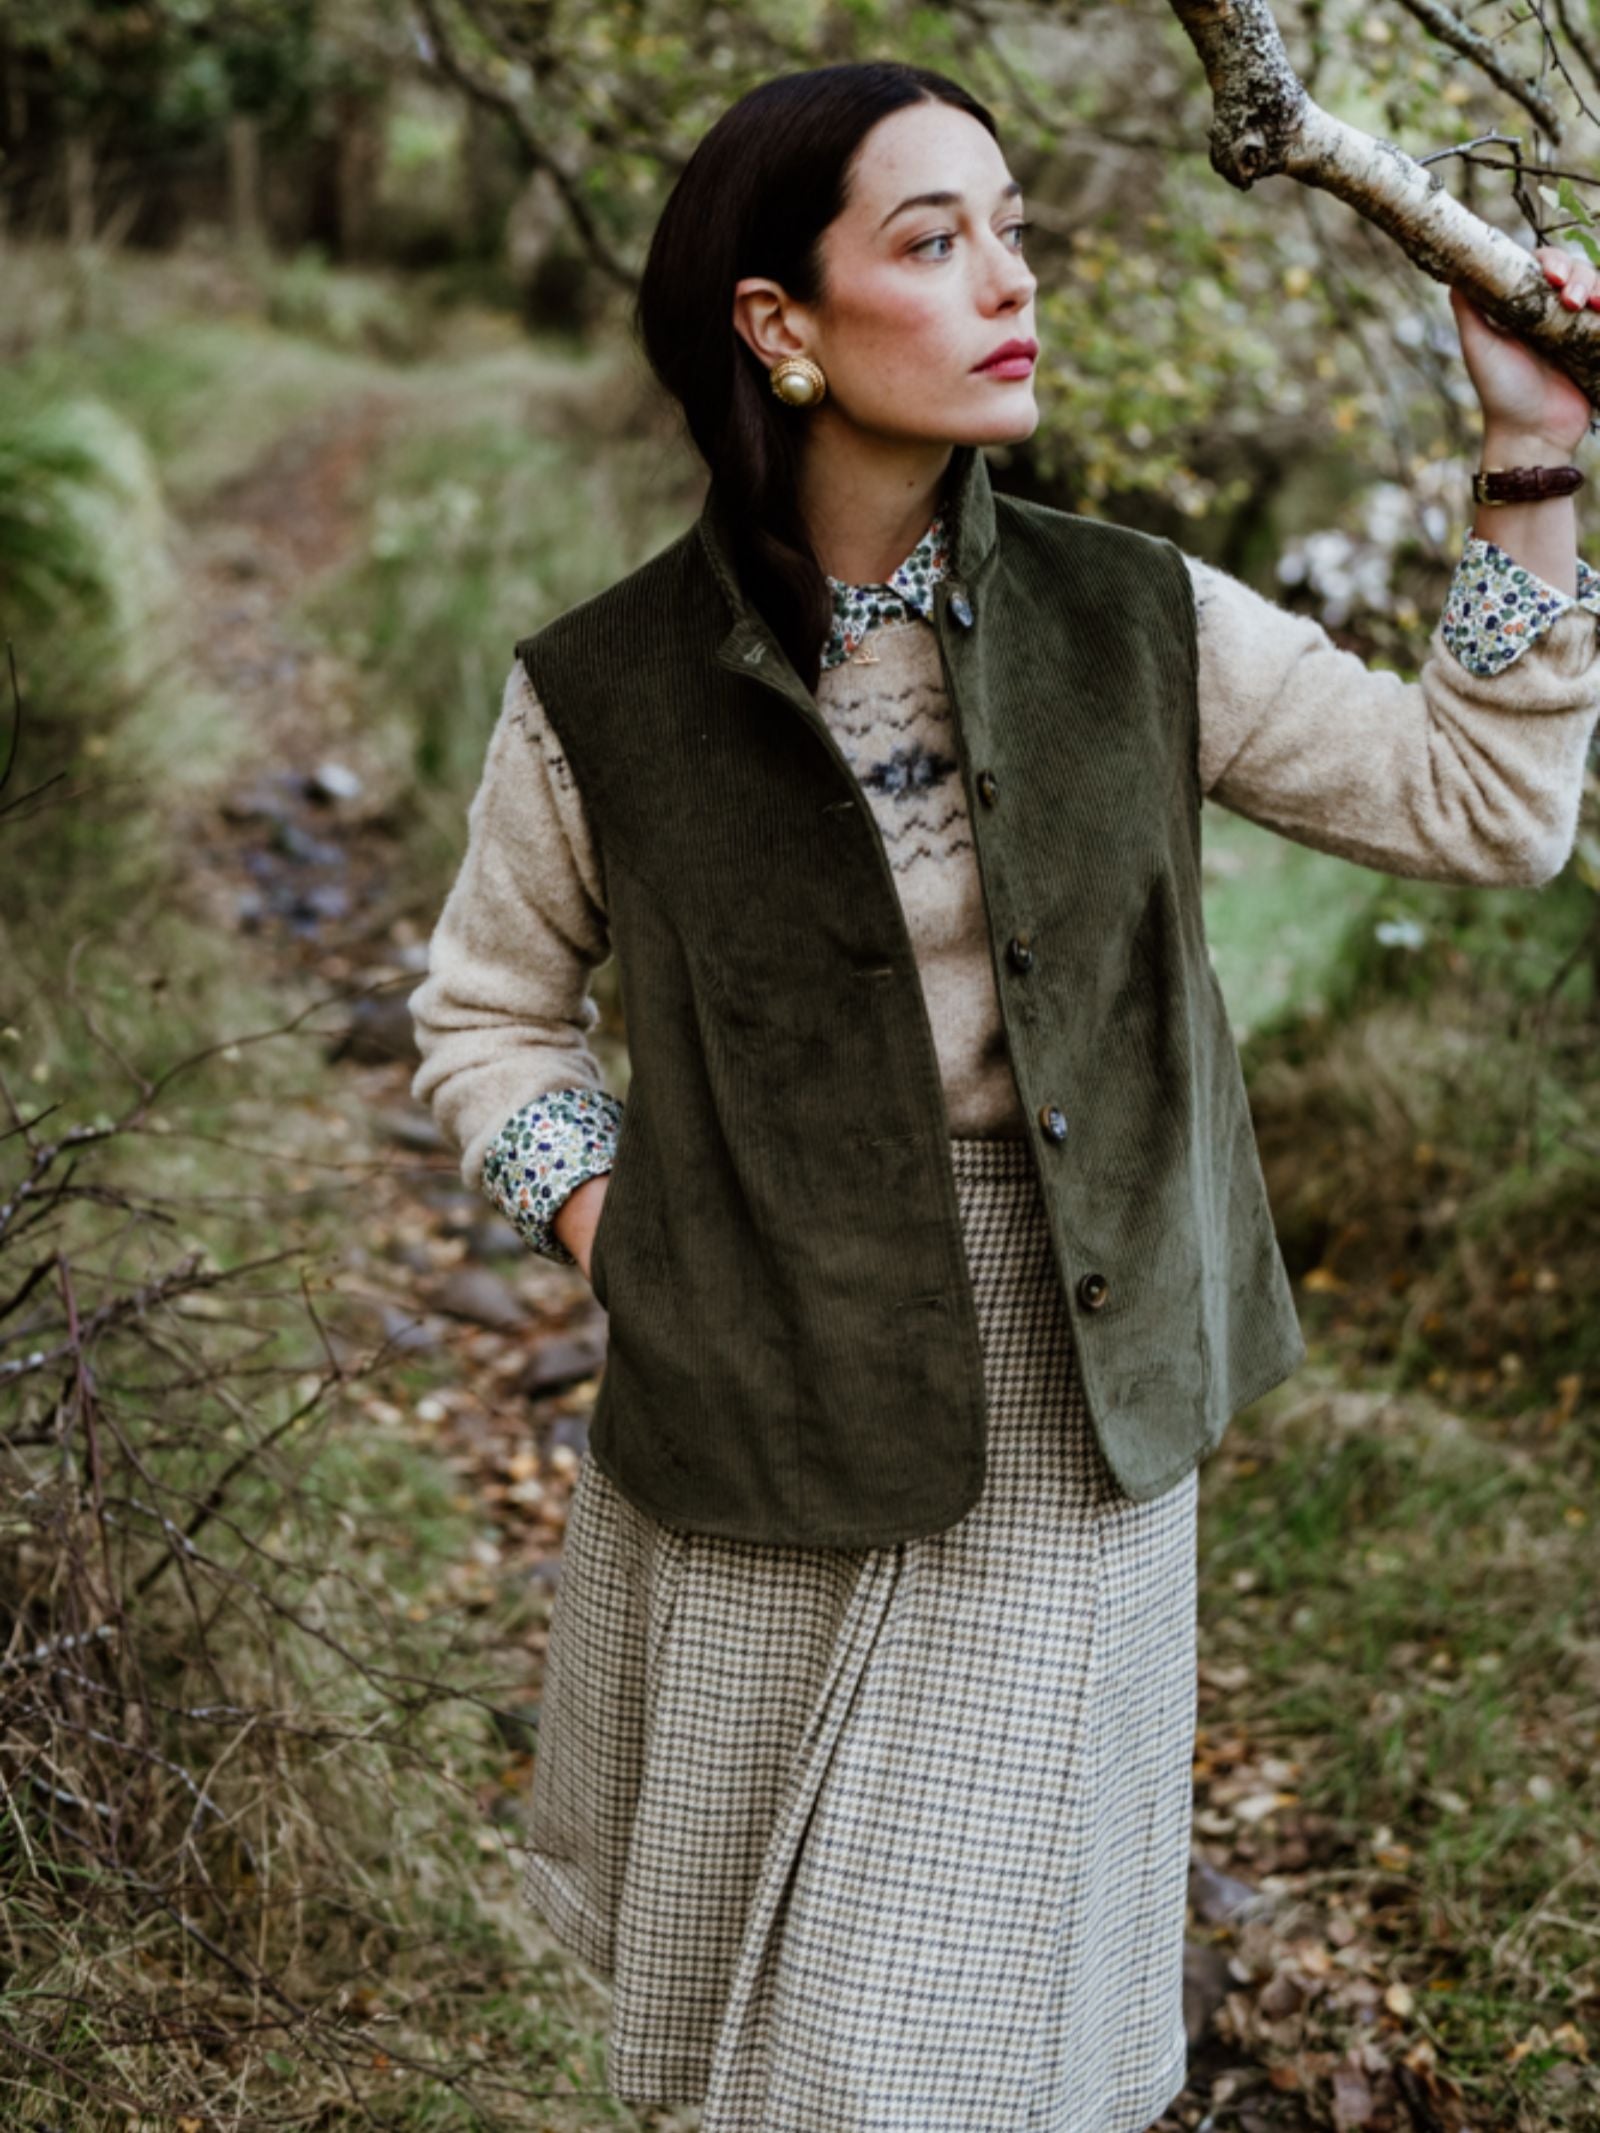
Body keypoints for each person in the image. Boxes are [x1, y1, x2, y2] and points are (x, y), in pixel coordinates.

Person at [407, 59, 1600, 2133]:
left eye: (1013, 229)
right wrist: (626, 1233)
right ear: (777, 326)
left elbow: (1479, 805)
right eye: (928, 239)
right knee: (757, 2047)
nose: (1003, 281)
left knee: (907, 2050)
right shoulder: (594, 691)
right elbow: (484, 1012)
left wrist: (1527, 460)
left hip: (1077, 1374)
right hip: (752, 1387)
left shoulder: (1136, 618)